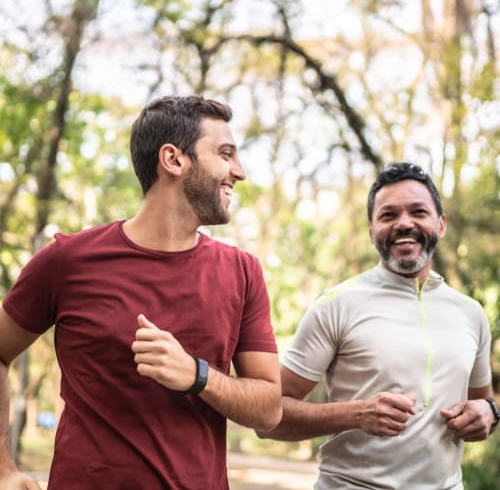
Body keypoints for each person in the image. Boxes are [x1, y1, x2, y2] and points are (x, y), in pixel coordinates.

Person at [0, 96, 282, 490]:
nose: (239, 172)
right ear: (173, 159)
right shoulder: (67, 260)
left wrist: (197, 375)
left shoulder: (242, 272)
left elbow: (269, 409)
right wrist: (4, 468)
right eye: (225, 154)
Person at [259, 162, 498, 489]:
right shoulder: (336, 304)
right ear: (371, 230)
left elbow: (484, 401)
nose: (404, 223)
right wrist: (355, 414)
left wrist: (489, 413)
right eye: (388, 215)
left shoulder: (471, 312)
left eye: (418, 212)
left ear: (440, 224)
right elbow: (267, 417)